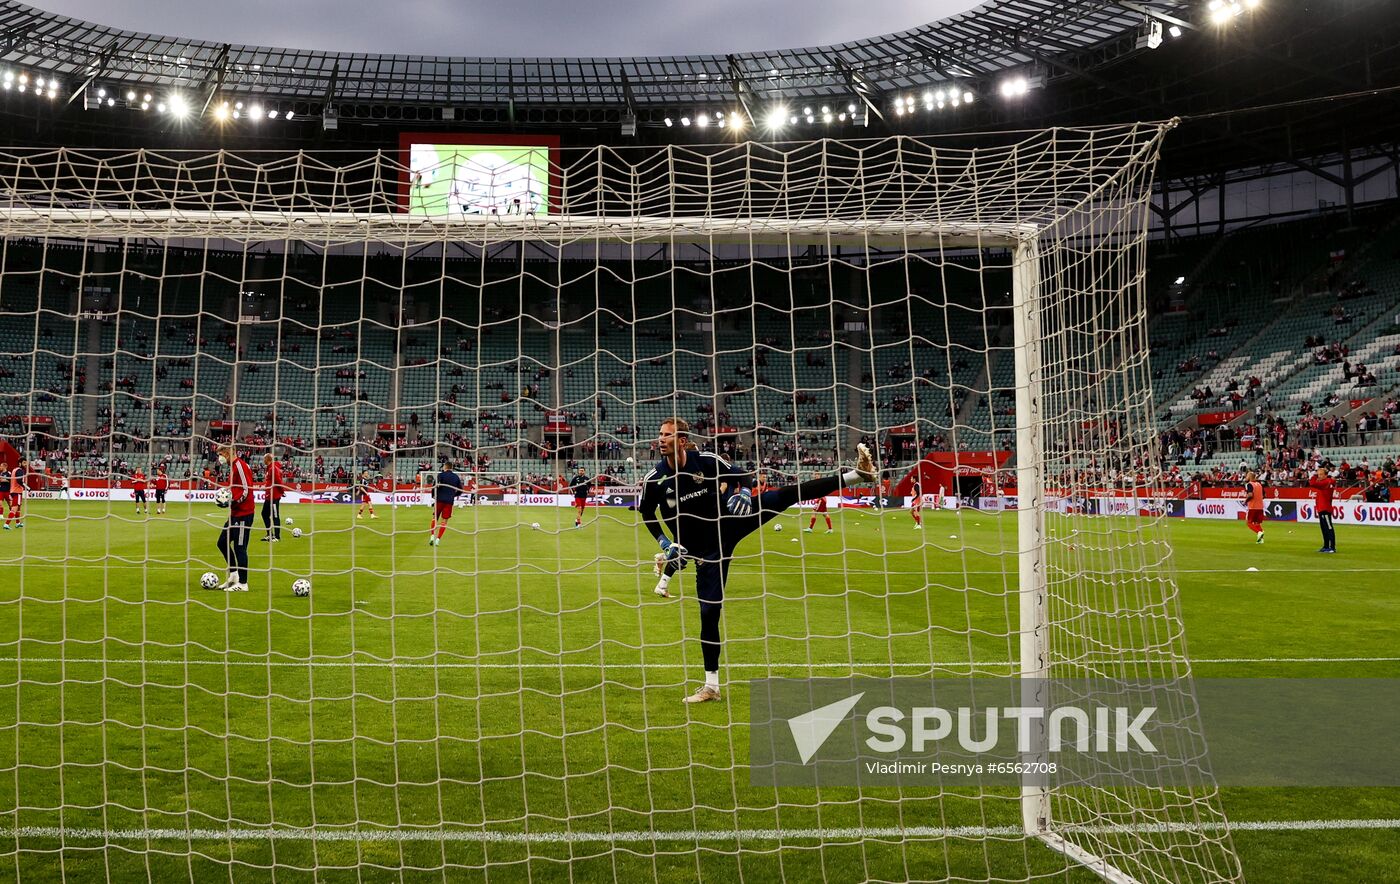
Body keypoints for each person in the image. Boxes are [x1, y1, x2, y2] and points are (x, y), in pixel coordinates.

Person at [638, 418, 875, 703]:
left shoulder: (706, 460)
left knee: (784, 495)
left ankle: (857, 476)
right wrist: (664, 542)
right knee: (708, 613)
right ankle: (711, 686)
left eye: (668, 434)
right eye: (660, 434)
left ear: (683, 440)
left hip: (730, 521)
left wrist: (746, 493)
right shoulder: (655, 479)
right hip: (705, 551)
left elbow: (743, 476)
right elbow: (647, 513)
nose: (661, 439)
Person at [210, 444, 255, 591]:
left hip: (244, 513)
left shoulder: (240, 466)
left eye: (221, 454)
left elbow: (246, 489)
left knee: (240, 547)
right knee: (222, 542)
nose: (220, 458)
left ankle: (243, 583)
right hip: (235, 513)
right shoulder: (233, 467)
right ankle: (234, 575)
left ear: (229, 453)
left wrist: (234, 501)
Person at [429, 462, 465, 546]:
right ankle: (438, 539)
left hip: (439, 500)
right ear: (451, 468)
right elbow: (460, 490)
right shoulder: (456, 477)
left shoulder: (440, 475)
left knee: (435, 518)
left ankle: (432, 536)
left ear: (445, 467)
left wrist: (433, 496)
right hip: (449, 501)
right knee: (444, 521)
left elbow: (434, 486)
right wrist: (454, 495)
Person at [1308, 465, 1337, 553]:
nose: (1319, 476)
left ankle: (1332, 547)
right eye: (1318, 474)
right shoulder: (1328, 481)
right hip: (1321, 508)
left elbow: (1312, 483)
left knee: (1328, 527)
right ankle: (1326, 545)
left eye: (1320, 474)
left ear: (1325, 475)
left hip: (1325, 508)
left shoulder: (1325, 482)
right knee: (1324, 528)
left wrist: (1314, 475)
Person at [260, 453, 284, 542]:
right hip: (268, 496)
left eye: (264, 459)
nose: (263, 461)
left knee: (275, 516)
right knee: (264, 514)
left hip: (274, 496)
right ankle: (269, 534)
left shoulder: (272, 469)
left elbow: (278, 481)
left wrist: (282, 491)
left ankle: (277, 537)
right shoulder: (269, 468)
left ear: (268, 459)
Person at [1244, 470, 1265, 544]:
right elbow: (1263, 496)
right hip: (1260, 507)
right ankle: (1261, 540)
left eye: (1247, 476)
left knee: (1249, 523)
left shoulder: (1249, 484)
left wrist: (1245, 501)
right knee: (1257, 523)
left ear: (1249, 477)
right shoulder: (1259, 484)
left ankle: (1259, 532)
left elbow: (1250, 495)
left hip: (1252, 507)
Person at [4, 459, 23, 529]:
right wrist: (26, 487)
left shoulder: (14, 470)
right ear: (20, 463)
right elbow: (19, 481)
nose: (26, 464)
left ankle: (18, 523)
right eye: (24, 463)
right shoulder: (20, 470)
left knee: (18, 508)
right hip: (17, 492)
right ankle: (6, 524)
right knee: (14, 508)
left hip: (13, 491)